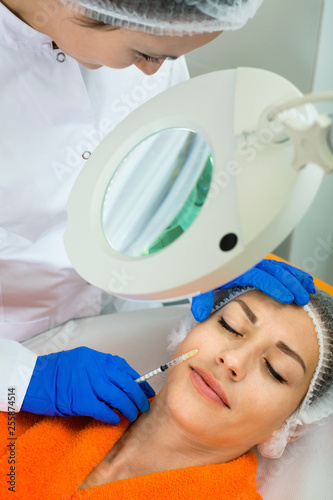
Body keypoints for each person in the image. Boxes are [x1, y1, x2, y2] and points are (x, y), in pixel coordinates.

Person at [0, 0, 268, 420]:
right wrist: (19, 377)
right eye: (146, 54)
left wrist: (207, 255)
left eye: (172, 58)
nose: (153, 71)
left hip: (111, 330)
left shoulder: (149, 30)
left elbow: (160, 182)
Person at [0, 280, 332, 499]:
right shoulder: (35, 400)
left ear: (290, 427)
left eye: (275, 370)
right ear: (188, 332)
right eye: (230, 325)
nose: (232, 359)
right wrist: (17, 378)